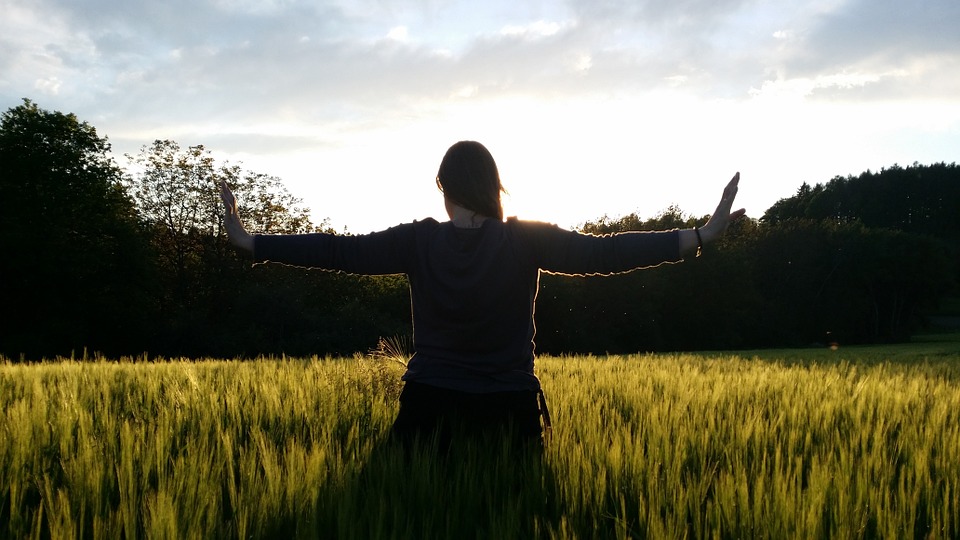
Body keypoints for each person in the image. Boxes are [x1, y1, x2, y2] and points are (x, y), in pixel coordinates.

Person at [220, 140, 745, 452]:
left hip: (428, 409)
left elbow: (339, 252)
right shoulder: (523, 239)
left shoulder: (418, 241)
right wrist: (697, 237)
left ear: (444, 187)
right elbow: (602, 253)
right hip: (508, 412)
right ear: (494, 185)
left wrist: (253, 243)